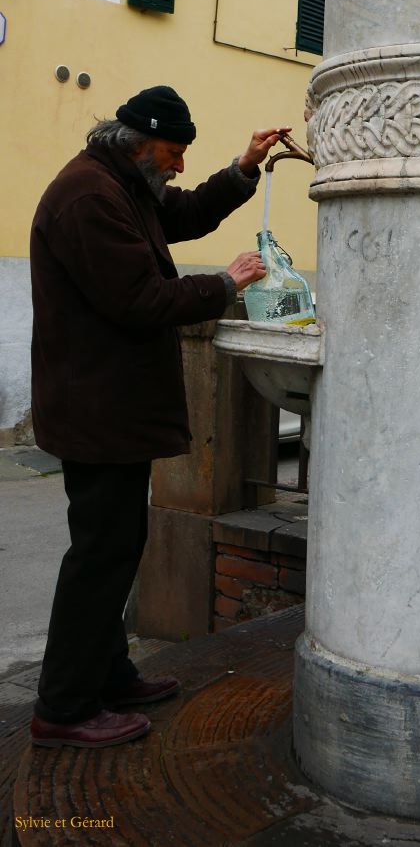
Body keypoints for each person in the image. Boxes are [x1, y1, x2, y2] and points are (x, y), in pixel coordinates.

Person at [28, 85, 289, 749]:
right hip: (96, 411)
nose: (176, 167)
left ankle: (108, 671)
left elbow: (189, 213)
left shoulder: (121, 183)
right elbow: (138, 300)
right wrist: (223, 285)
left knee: (115, 548)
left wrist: (244, 168)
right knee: (99, 555)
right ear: (142, 142)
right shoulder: (89, 198)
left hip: (109, 409)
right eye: (173, 153)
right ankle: (63, 706)